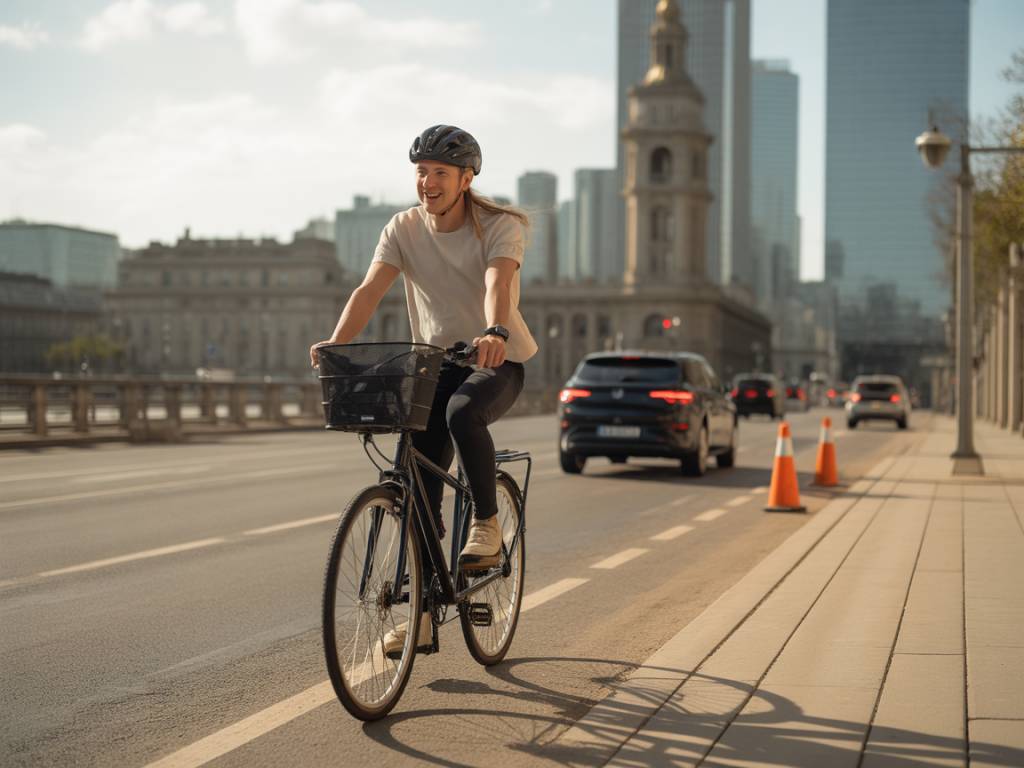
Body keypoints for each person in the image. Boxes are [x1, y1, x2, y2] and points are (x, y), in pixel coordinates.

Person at [310, 125, 538, 653]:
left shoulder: (498, 226)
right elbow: (370, 289)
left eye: (440, 173)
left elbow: (497, 282)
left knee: (462, 414)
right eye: (421, 172)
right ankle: (423, 613)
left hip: (496, 361)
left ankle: (486, 523)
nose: (428, 183)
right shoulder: (403, 227)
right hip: (433, 366)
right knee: (413, 486)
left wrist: (495, 331)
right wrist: (337, 343)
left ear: (466, 179)